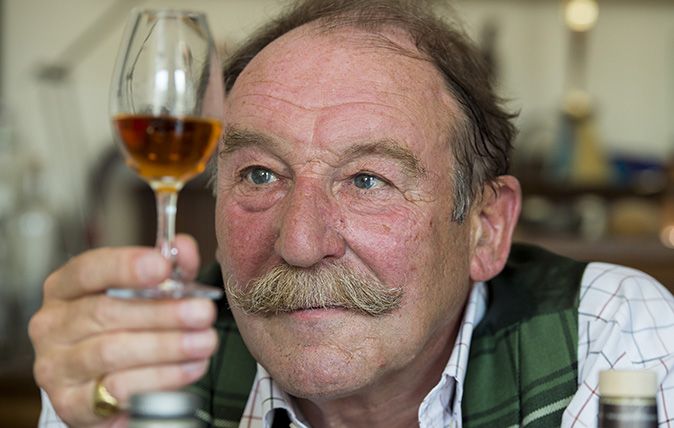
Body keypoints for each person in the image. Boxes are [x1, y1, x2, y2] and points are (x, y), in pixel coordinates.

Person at [30, 0, 674, 427]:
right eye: (259, 174)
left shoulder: (608, 338)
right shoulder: (133, 367)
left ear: (485, 227)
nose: (301, 242)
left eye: (367, 179)